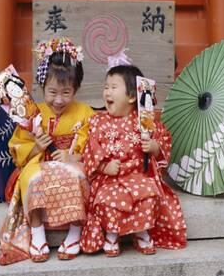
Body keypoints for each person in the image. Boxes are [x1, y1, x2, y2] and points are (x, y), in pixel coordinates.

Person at [0, 38, 94, 264]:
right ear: (42, 87)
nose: (58, 100)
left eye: (66, 92)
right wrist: (37, 146)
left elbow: (94, 146)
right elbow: (18, 154)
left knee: (78, 174)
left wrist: (73, 156)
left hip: (71, 161)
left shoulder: (86, 112)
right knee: (32, 177)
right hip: (38, 162)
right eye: (52, 92)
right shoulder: (31, 114)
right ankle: (37, 231)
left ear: (76, 89)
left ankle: (74, 231)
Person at [80, 55, 187, 257]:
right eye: (106, 87)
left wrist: (154, 147)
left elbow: (162, 143)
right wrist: (104, 167)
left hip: (138, 176)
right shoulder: (98, 122)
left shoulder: (144, 121)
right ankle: (112, 234)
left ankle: (141, 232)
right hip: (110, 179)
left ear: (131, 96)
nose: (107, 92)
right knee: (108, 200)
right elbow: (91, 151)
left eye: (113, 87)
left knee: (148, 195)